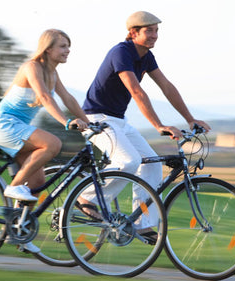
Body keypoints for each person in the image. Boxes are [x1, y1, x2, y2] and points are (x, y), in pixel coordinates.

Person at [80, 11, 211, 242]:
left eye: (157, 30)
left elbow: (166, 87)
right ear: (133, 33)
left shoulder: (146, 56)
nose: (155, 36)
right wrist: (159, 125)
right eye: (149, 30)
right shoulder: (121, 52)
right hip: (96, 118)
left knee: (151, 165)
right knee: (128, 161)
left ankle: (142, 224)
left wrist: (190, 119)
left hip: (118, 120)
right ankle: (87, 199)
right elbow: (136, 91)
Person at [0, 29, 89, 251]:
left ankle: (17, 232)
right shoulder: (31, 67)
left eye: (68, 45)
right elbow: (44, 97)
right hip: (4, 124)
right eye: (62, 46)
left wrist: (87, 122)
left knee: (35, 185)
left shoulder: (53, 72)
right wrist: (66, 122)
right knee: (53, 143)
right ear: (48, 49)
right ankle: (13, 186)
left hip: (20, 127)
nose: (67, 50)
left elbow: (68, 98)